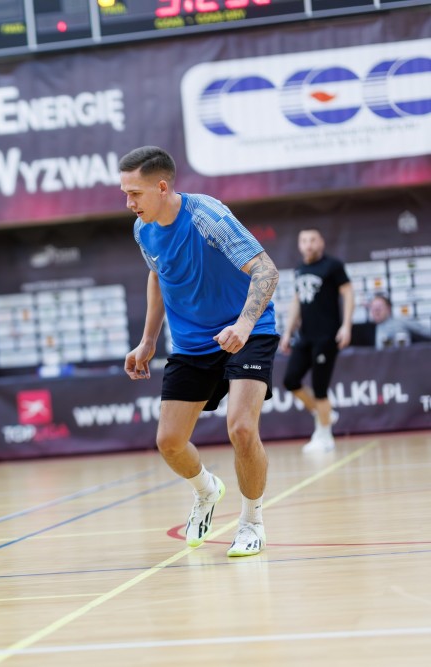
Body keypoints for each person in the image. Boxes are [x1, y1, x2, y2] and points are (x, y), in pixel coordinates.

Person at [120, 146, 279, 558]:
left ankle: (252, 522)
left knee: (241, 428)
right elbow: (157, 275)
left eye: (135, 193)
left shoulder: (206, 216)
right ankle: (206, 490)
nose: (129, 203)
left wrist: (243, 326)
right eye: (125, 194)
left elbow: (266, 270)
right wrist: (148, 340)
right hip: (192, 345)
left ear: (161, 187)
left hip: (247, 330)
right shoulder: (143, 229)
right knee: (170, 442)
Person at [279, 229, 353, 453]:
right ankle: (325, 414)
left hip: (327, 336)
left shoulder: (333, 266)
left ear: (321, 243)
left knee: (320, 388)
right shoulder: (299, 269)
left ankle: (325, 436)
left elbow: (348, 293)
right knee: (291, 381)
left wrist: (346, 326)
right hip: (305, 336)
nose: (308, 244)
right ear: (299, 245)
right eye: (304, 240)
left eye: (312, 240)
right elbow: (297, 301)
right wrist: (287, 332)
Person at [367, 293, 431, 350]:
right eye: (373, 308)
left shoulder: (400, 322)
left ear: (388, 308)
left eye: (379, 307)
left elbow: (424, 330)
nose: (376, 311)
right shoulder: (368, 330)